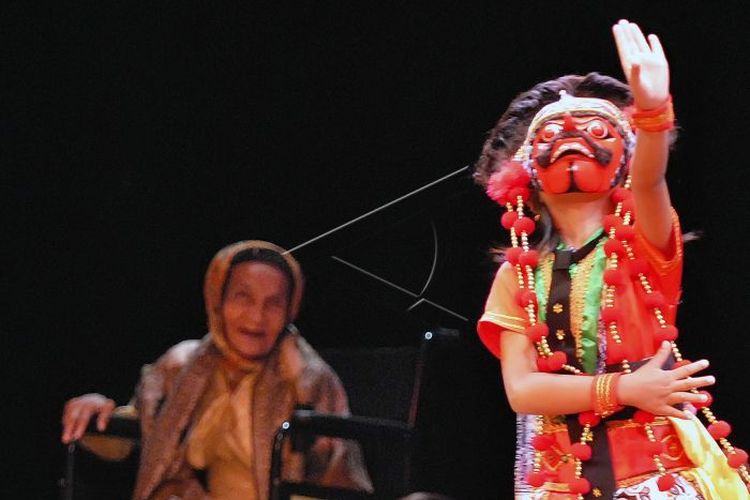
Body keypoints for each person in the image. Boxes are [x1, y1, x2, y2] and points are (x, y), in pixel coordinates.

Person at [473, 20, 749, 499]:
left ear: (624, 155)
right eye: (552, 132)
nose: (572, 138)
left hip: (657, 469)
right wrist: (623, 389)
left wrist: (652, 111)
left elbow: (650, 180)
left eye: (598, 129)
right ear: (525, 170)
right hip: (562, 479)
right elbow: (522, 390)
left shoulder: (644, 237)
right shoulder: (518, 273)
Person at [61, 240, 372, 500]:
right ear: (217, 300)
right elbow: (139, 430)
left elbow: (338, 476)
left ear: (290, 309)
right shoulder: (182, 366)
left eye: (273, 303)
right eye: (243, 297)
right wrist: (96, 411)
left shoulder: (307, 377)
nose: (257, 316)